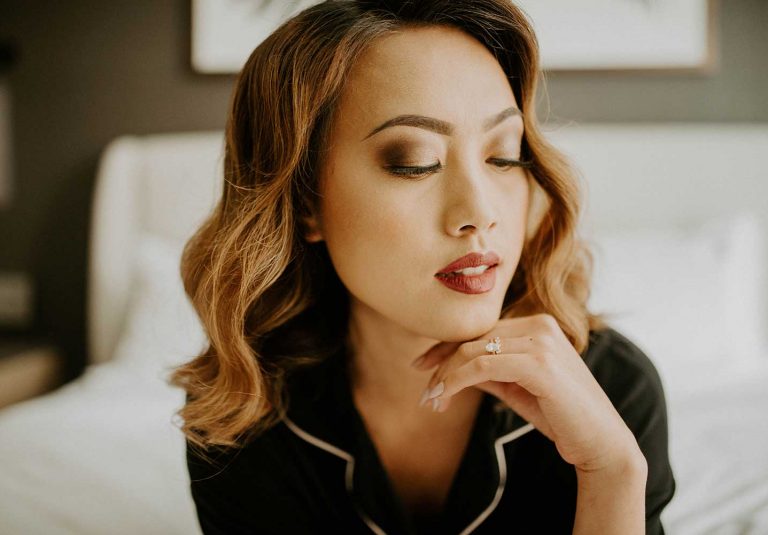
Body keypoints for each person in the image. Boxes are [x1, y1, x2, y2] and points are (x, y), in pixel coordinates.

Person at [169, 1, 676, 533]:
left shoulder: (614, 390)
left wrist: (613, 475)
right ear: (305, 203)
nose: (480, 212)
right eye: (415, 161)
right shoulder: (239, 407)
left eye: (503, 154)